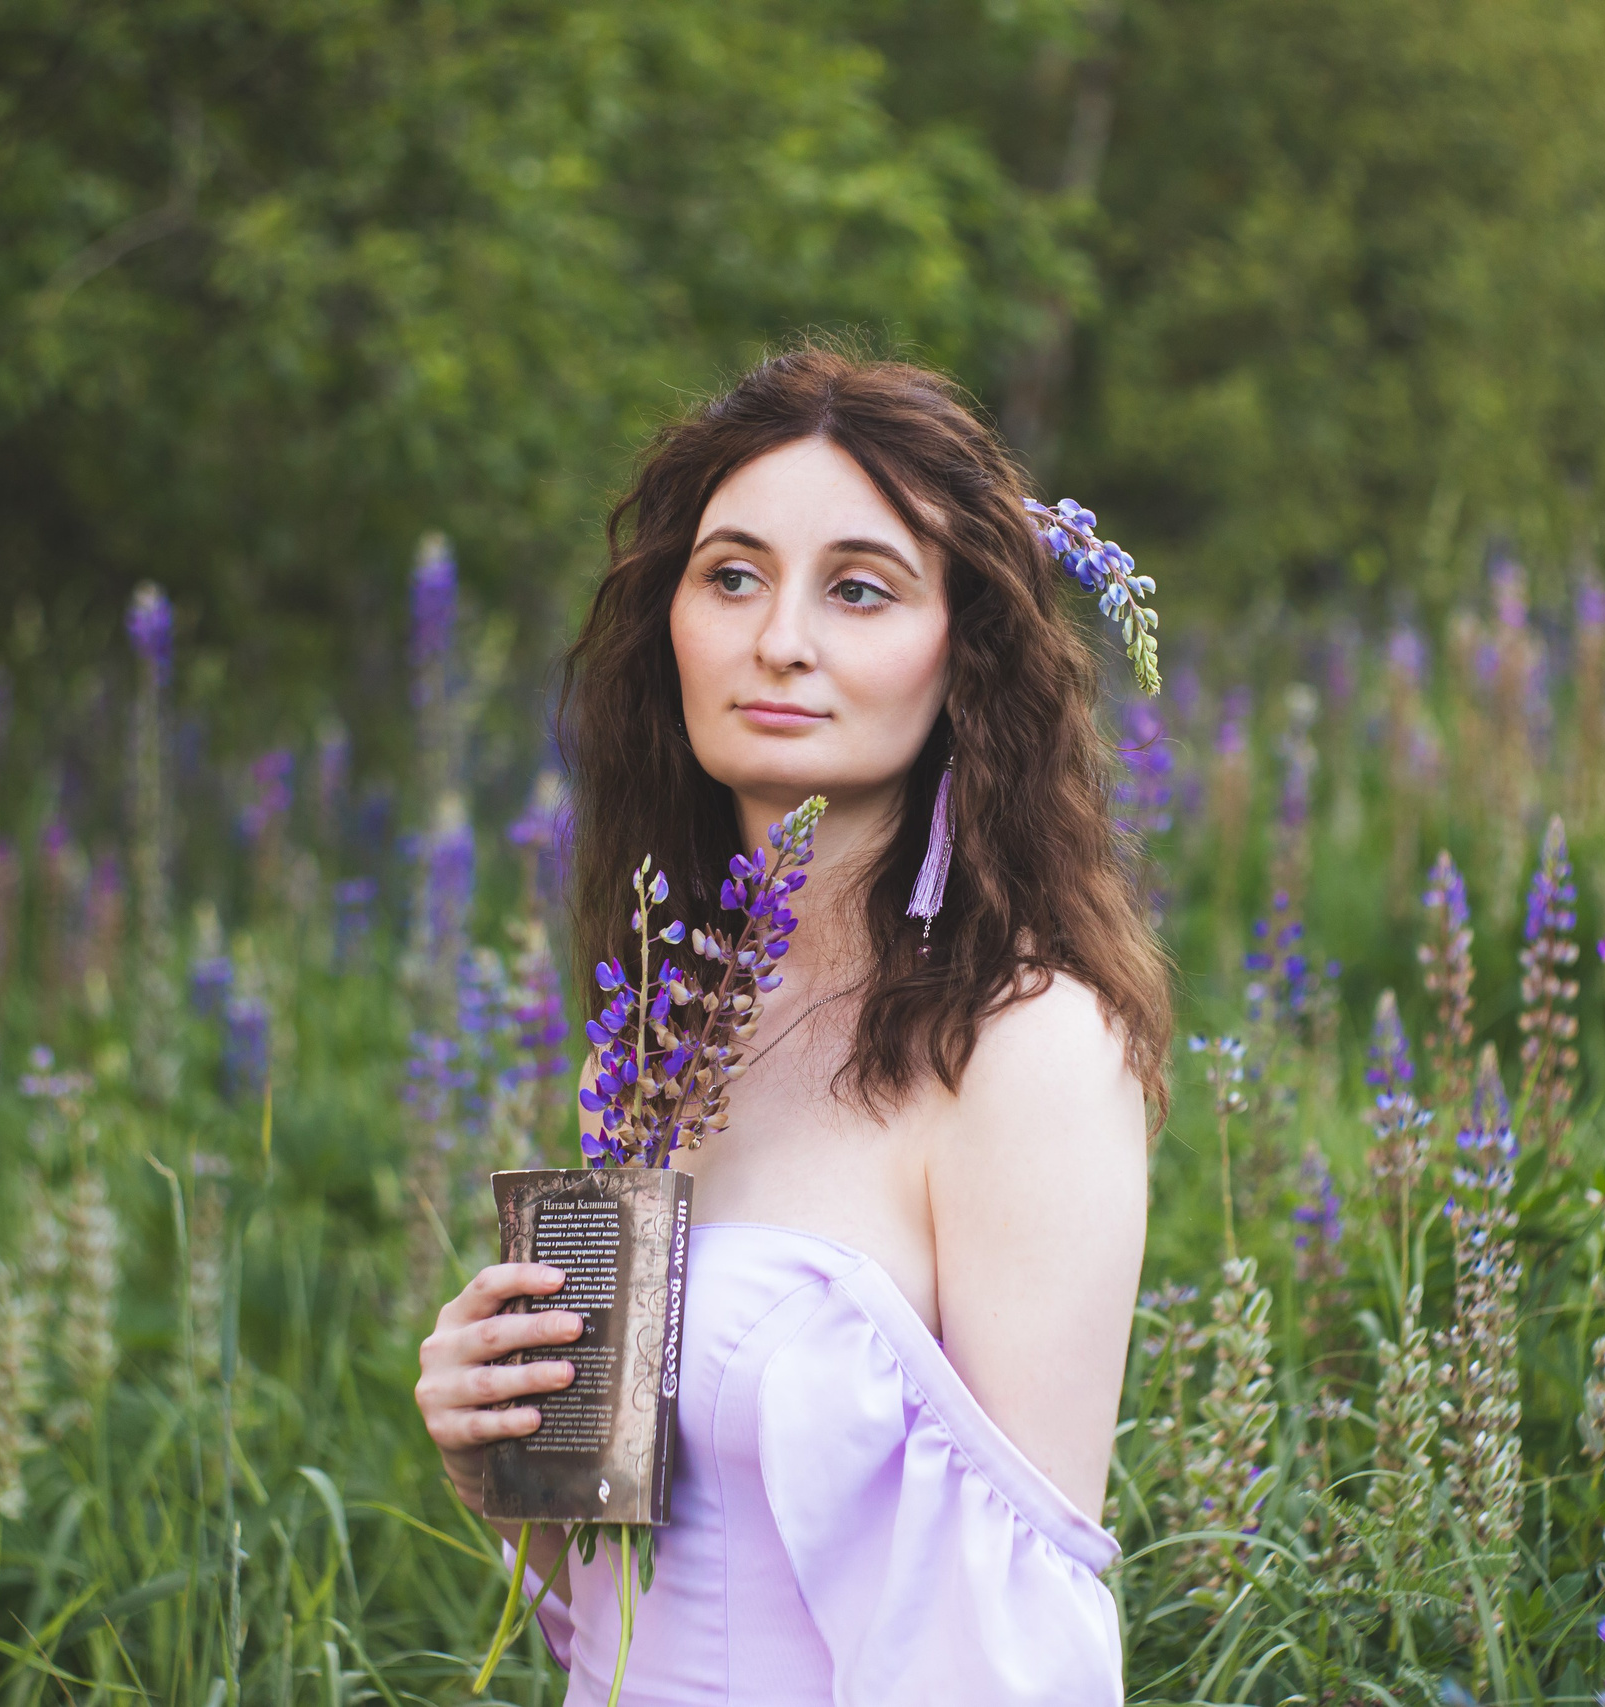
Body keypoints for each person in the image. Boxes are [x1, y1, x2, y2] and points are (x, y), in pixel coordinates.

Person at [413, 346, 1171, 1705]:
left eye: (860, 590)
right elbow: (623, 1597)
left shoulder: (1022, 1044)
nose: (780, 641)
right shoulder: (651, 1032)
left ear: (966, 651)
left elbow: (1017, 1635)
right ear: (674, 620)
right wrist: (502, 1446)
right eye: (735, 575)